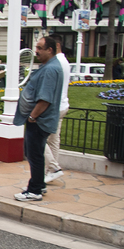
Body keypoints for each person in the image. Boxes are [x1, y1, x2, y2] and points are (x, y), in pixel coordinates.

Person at [13, 36, 64, 202]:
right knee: (35, 153)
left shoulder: (50, 69)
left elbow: (45, 99)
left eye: (40, 48)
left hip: (40, 120)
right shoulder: (49, 66)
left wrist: (32, 116)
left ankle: (34, 190)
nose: (36, 51)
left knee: (35, 155)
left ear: (50, 49)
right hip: (39, 120)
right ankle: (39, 184)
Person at [44, 34, 71, 183]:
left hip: (54, 107)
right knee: (54, 140)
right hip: (62, 105)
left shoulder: (55, 63)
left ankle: (53, 168)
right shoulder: (64, 61)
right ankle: (50, 172)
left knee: (38, 139)